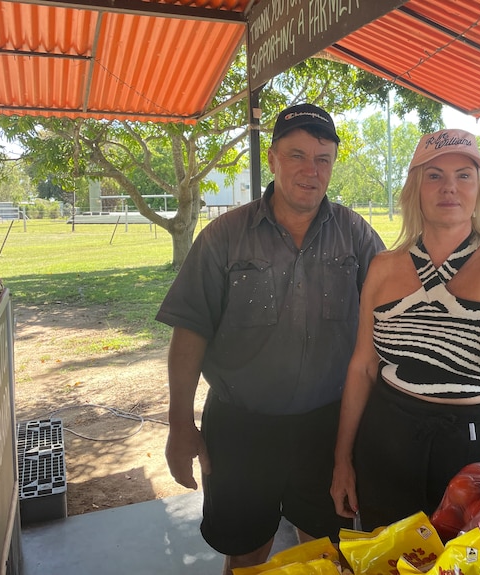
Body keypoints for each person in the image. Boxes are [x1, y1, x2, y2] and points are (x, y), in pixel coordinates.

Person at [156, 103, 385, 574]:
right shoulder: (224, 236)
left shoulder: (357, 236)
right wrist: (180, 424)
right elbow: (189, 331)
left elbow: (387, 322)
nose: (310, 170)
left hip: (329, 429)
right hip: (240, 430)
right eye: (297, 155)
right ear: (274, 158)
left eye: (323, 158)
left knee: (328, 548)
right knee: (245, 552)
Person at [330, 128, 480, 530]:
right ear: (415, 189)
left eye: (464, 175)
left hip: (477, 451)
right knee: (392, 558)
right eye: (434, 175)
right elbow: (363, 366)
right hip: (388, 442)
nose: (449, 188)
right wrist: (342, 460)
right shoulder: (383, 266)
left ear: (478, 190)